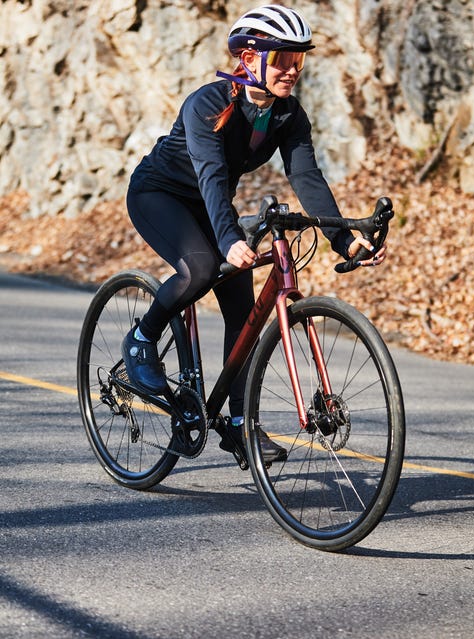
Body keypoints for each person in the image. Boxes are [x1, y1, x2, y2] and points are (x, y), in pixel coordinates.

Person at [121, 4, 387, 462]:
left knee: (243, 311)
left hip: (211, 204)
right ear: (248, 58)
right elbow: (210, 174)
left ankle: (241, 424)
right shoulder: (207, 103)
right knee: (202, 268)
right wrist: (229, 240)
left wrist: (344, 239)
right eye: (282, 58)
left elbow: (308, 179)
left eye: (299, 59)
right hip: (158, 195)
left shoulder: (288, 114)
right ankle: (142, 340)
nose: (292, 69)